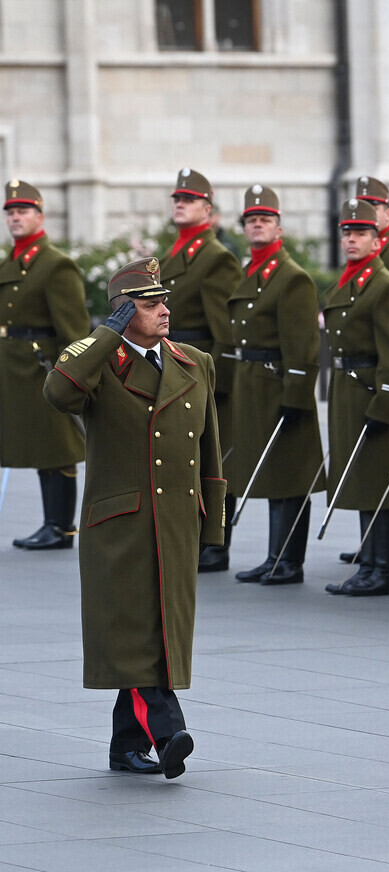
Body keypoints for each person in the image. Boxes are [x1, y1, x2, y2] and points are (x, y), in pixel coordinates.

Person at [44, 256, 223, 778]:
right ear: (124, 314)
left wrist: (212, 527)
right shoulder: (98, 364)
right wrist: (107, 335)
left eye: (164, 300)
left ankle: (126, 746)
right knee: (137, 630)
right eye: (149, 304)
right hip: (120, 526)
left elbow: (209, 449)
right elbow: (58, 393)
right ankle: (167, 731)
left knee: (157, 630)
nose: (164, 310)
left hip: (176, 522)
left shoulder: (194, 362)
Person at [225, 185, 326, 586]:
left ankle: (288, 561)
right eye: (251, 220)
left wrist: (297, 396)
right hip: (254, 385)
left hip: (280, 387)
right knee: (269, 472)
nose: (257, 226)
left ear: (279, 227)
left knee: (289, 475)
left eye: (264, 219)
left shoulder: (291, 278)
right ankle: (273, 556)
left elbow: (303, 345)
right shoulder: (252, 271)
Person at [321, 198, 389, 597]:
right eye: (348, 233)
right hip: (348, 392)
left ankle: (385, 569)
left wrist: (386, 402)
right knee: (360, 479)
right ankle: (369, 564)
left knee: (380, 483)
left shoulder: (386, 285)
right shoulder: (349, 279)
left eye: (361, 233)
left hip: (372, 393)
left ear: (378, 239)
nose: (352, 240)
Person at [159, 168, 242, 572]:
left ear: (207, 210)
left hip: (200, 369)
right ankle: (193, 539)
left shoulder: (215, 257)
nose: (180, 204)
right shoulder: (178, 253)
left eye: (189, 200)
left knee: (211, 459)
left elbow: (225, 328)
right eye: (177, 198)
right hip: (175, 363)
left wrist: (219, 385)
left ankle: (216, 545)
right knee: (183, 456)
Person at [1, 179, 89, 551]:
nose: (15, 217)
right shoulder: (12, 261)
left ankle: (60, 526)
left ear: (40, 216)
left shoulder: (56, 264)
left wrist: (71, 377)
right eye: (10, 212)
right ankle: (51, 524)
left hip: (44, 367)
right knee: (37, 445)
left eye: (23, 211)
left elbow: (73, 329)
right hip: (12, 368)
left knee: (56, 446)